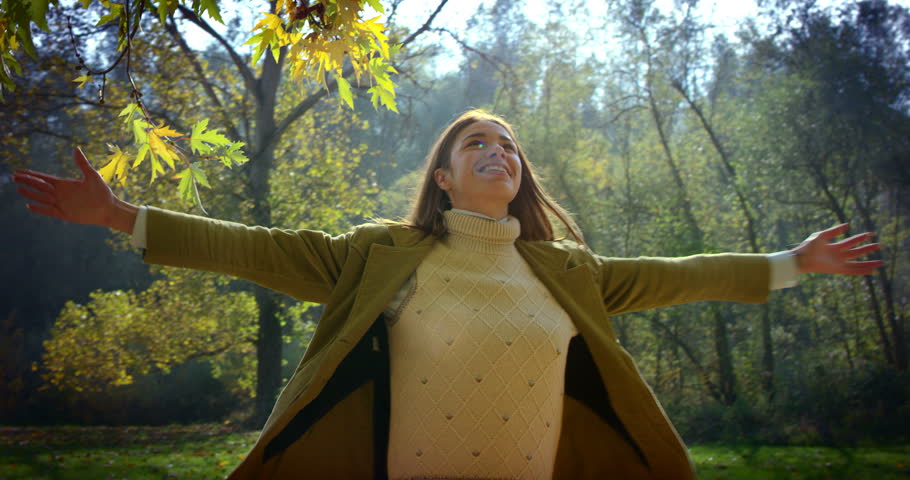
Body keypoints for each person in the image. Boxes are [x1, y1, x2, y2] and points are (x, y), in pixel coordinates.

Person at [13, 110, 882, 480]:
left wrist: (792, 262)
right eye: (476, 141)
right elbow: (251, 249)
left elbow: (682, 276)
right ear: (443, 172)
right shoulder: (378, 256)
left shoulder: (571, 271)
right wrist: (121, 215)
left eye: (508, 143)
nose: (498, 149)